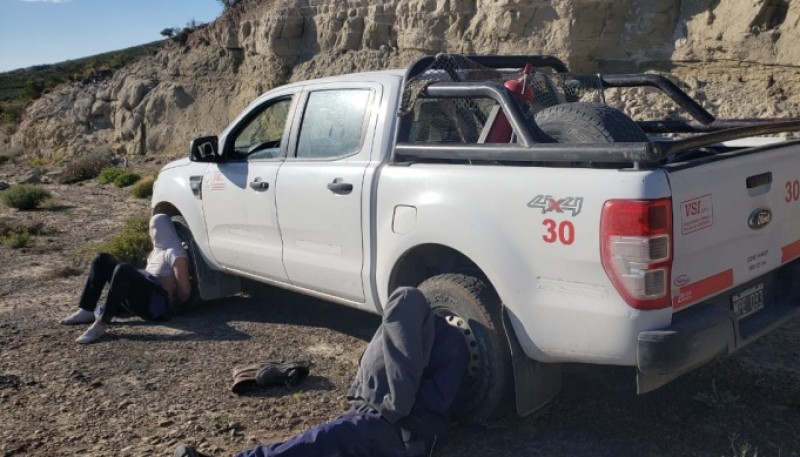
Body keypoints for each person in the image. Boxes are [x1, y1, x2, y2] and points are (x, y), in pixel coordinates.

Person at [175, 287, 469, 457]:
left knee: (321, 439)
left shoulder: (429, 325)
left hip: (397, 428)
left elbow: (406, 393)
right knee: (322, 443)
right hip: (399, 428)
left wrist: (381, 408)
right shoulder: (444, 344)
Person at [60, 213, 192, 344]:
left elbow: (184, 291)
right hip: (142, 295)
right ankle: (87, 310)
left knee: (124, 269)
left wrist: (174, 307)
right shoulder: (156, 251)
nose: (152, 233)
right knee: (102, 259)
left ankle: (101, 324)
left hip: (155, 304)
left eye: (154, 229)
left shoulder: (175, 252)